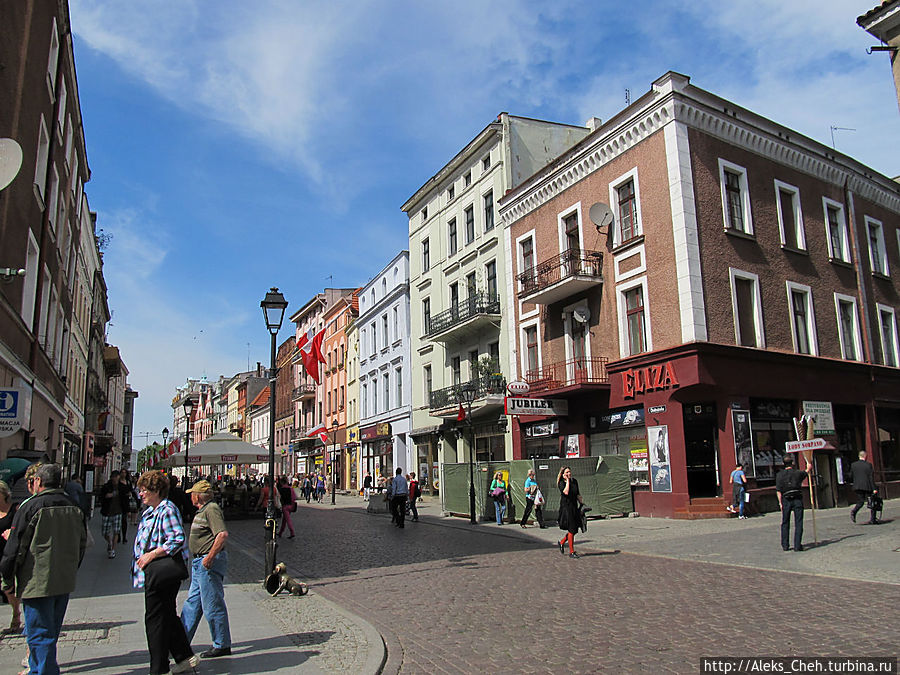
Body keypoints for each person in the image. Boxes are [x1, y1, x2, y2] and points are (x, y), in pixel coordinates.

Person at [0, 463, 87, 675]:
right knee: (51, 630)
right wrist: (71, 568)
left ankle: (43, 671)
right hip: (63, 578)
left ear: (38, 481)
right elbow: (81, 544)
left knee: (39, 632)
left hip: (36, 579)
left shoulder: (31, 507)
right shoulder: (73, 506)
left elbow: (15, 545)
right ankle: (40, 668)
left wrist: (8, 577)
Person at [132, 470, 198, 675]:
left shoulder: (166, 509)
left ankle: (158, 668)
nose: (140, 494)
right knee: (167, 615)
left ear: (157, 491)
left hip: (161, 573)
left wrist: (151, 555)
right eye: (140, 490)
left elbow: (177, 538)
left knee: (155, 621)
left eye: (144, 490)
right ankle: (184, 657)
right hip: (153, 572)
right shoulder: (151, 511)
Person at [181, 480, 232, 659]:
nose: (190, 496)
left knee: (212, 603)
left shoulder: (211, 509)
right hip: (199, 562)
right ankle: (180, 641)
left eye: (192, 493)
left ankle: (221, 643)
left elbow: (222, 534)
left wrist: (209, 557)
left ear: (199, 495)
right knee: (193, 603)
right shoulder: (203, 510)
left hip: (207, 562)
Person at [775, 454, 810, 552]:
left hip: (786, 499)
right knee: (798, 522)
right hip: (797, 498)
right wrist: (808, 467)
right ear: (792, 463)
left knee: (785, 522)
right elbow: (806, 472)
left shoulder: (779, 475)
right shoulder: (797, 473)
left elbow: (778, 490)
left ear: (783, 464)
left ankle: (785, 545)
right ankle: (797, 545)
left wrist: (780, 503)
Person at [0, 481, 22, 634]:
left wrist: (12, 536)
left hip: (8, 554)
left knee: (8, 590)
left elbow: (21, 529)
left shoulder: (15, 509)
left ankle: (16, 611)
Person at [100, 470, 129, 559]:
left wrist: (127, 510)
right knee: (104, 532)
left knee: (116, 531)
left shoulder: (122, 487)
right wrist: (106, 496)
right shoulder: (106, 487)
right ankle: (110, 542)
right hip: (107, 511)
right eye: (113, 477)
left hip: (118, 512)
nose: (115, 479)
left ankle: (112, 549)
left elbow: (126, 498)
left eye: (116, 477)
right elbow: (101, 496)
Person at [556, 466, 583, 558]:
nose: (569, 474)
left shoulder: (574, 481)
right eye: (566, 473)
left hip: (574, 506)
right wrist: (567, 481)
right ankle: (572, 551)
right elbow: (566, 492)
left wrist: (582, 503)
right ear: (563, 475)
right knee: (571, 529)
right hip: (566, 508)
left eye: (569, 472)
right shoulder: (561, 483)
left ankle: (562, 542)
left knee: (575, 529)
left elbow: (577, 494)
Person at [849, 451, 879, 524]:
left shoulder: (853, 465)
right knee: (872, 502)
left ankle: (854, 511)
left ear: (859, 456)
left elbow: (850, 476)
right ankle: (873, 519)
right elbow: (871, 478)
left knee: (861, 501)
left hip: (857, 486)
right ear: (865, 456)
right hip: (867, 486)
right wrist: (874, 488)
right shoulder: (868, 465)